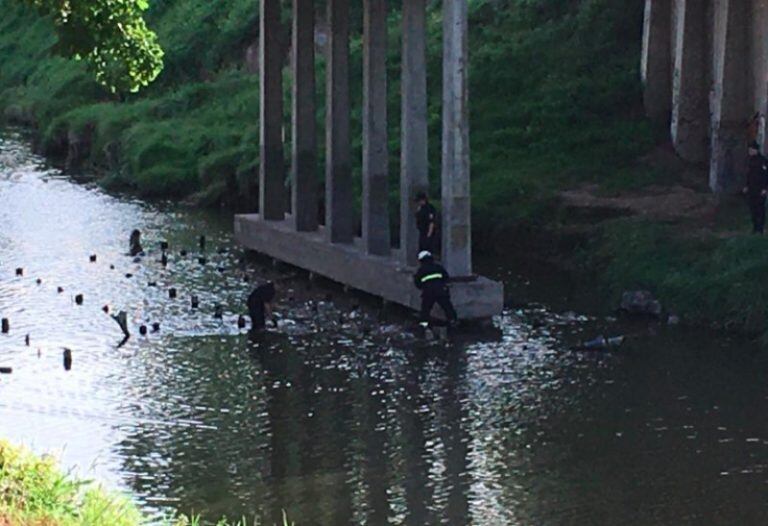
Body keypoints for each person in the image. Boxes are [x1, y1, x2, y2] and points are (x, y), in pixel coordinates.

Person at [413, 251, 458, 326]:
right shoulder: (438, 267)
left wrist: (424, 287)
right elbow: (446, 277)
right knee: (447, 307)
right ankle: (453, 321)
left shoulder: (421, 270)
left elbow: (417, 283)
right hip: (440, 290)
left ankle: (423, 326)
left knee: (425, 310)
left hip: (428, 292)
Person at [743, 141, 768, 234]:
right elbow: (748, 175)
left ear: (755, 150)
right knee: (752, 209)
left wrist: (765, 188)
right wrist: (746, 186)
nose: (749, 151)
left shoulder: (763, 161)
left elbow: (766, 175)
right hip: (752, 188)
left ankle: (760, 228)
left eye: (751, 149)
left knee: (760, 209)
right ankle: (755, 227)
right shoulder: (750, 161)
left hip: (760, 189)